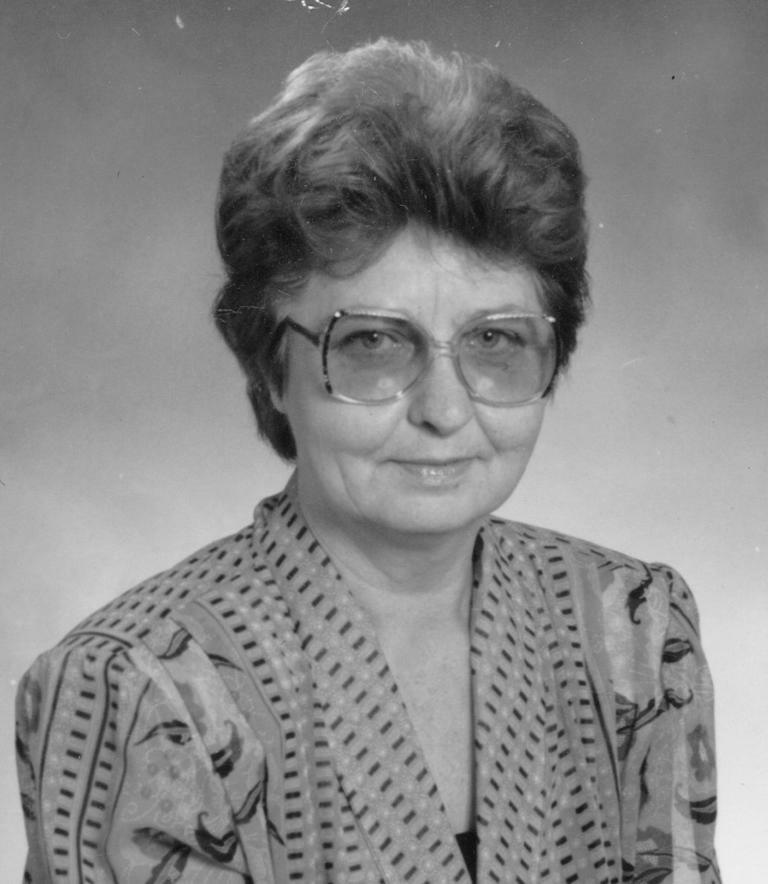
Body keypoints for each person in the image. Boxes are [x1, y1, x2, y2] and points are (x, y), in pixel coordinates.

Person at [15, 38, 719, 884]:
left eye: (495, 341)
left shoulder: (635, 628)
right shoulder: (136, 681)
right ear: (269, 367)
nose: (444, 411)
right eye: (375, 343)